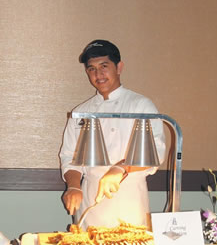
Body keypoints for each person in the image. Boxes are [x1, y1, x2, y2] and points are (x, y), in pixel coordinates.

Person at [59, 39, 166, 230]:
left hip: (130, 198)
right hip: (91, 200)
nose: (98, 74)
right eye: (91, 69)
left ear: (119, 67)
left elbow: (155, 152)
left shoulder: (141, 105)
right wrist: (74, 186)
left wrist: (120, 168)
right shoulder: (81, 112)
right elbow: (69, 156)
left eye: (104, 66)